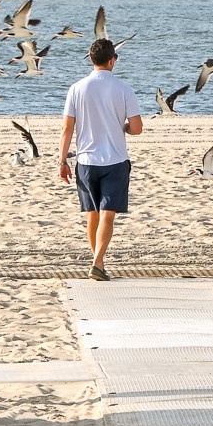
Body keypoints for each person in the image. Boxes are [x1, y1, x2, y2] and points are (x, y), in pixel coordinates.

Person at [58, 38, 143, 280]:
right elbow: (137, 128)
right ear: (112, 60)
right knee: (108, 213)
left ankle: (99, 262)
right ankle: (97, 262)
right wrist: (123, 127)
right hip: (115, 159)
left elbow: (67, 128)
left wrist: (62, 161)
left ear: (91, 59)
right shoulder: (124, 89)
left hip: (86, 160)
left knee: (92, 214)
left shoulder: (77, 88)